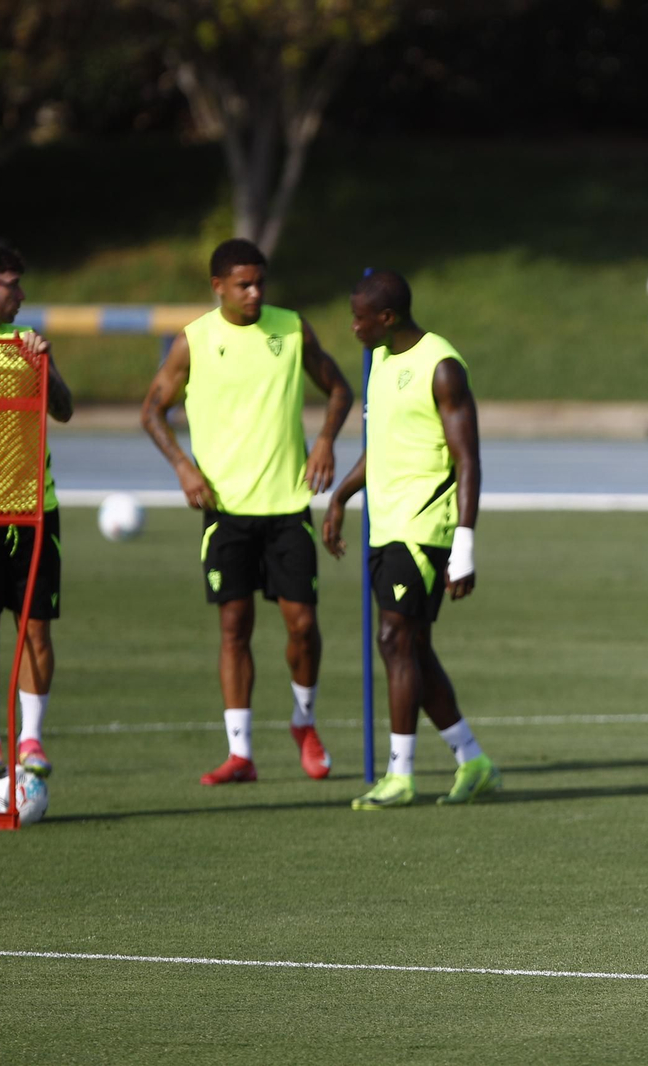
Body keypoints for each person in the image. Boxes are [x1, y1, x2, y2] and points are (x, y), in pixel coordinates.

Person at [141, 238, 352, 785]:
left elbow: (338, 389)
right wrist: (184, 469)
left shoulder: (291, 327)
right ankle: (240, 753)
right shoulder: (194, 341)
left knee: (302, 625)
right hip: (226, 510)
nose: (255, 292)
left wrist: (326, 441)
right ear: (218, 287)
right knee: (234, 627)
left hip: (287, 505)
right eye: (244, 284)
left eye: (260, 282)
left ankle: (304, 722)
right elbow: (152, 412)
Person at [321, 269, 499, 809]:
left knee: (392, 640)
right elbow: (384, 446)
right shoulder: (378, 360)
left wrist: (464, 545)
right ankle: (472, 760)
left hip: (425, 528)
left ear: (388, 318)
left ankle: (400, 775)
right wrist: (341, 496)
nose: (352, 327)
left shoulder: (441, 367)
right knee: (413, 648)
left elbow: (468, 460)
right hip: (387, 522)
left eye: (359, 318)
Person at [0, 244, 73, 780]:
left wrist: (44, 368)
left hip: (33, 511)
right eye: (12, 284)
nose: (22, 296)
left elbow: (64, 410)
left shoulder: (27, 343)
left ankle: (31, 737)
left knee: (35, 629)